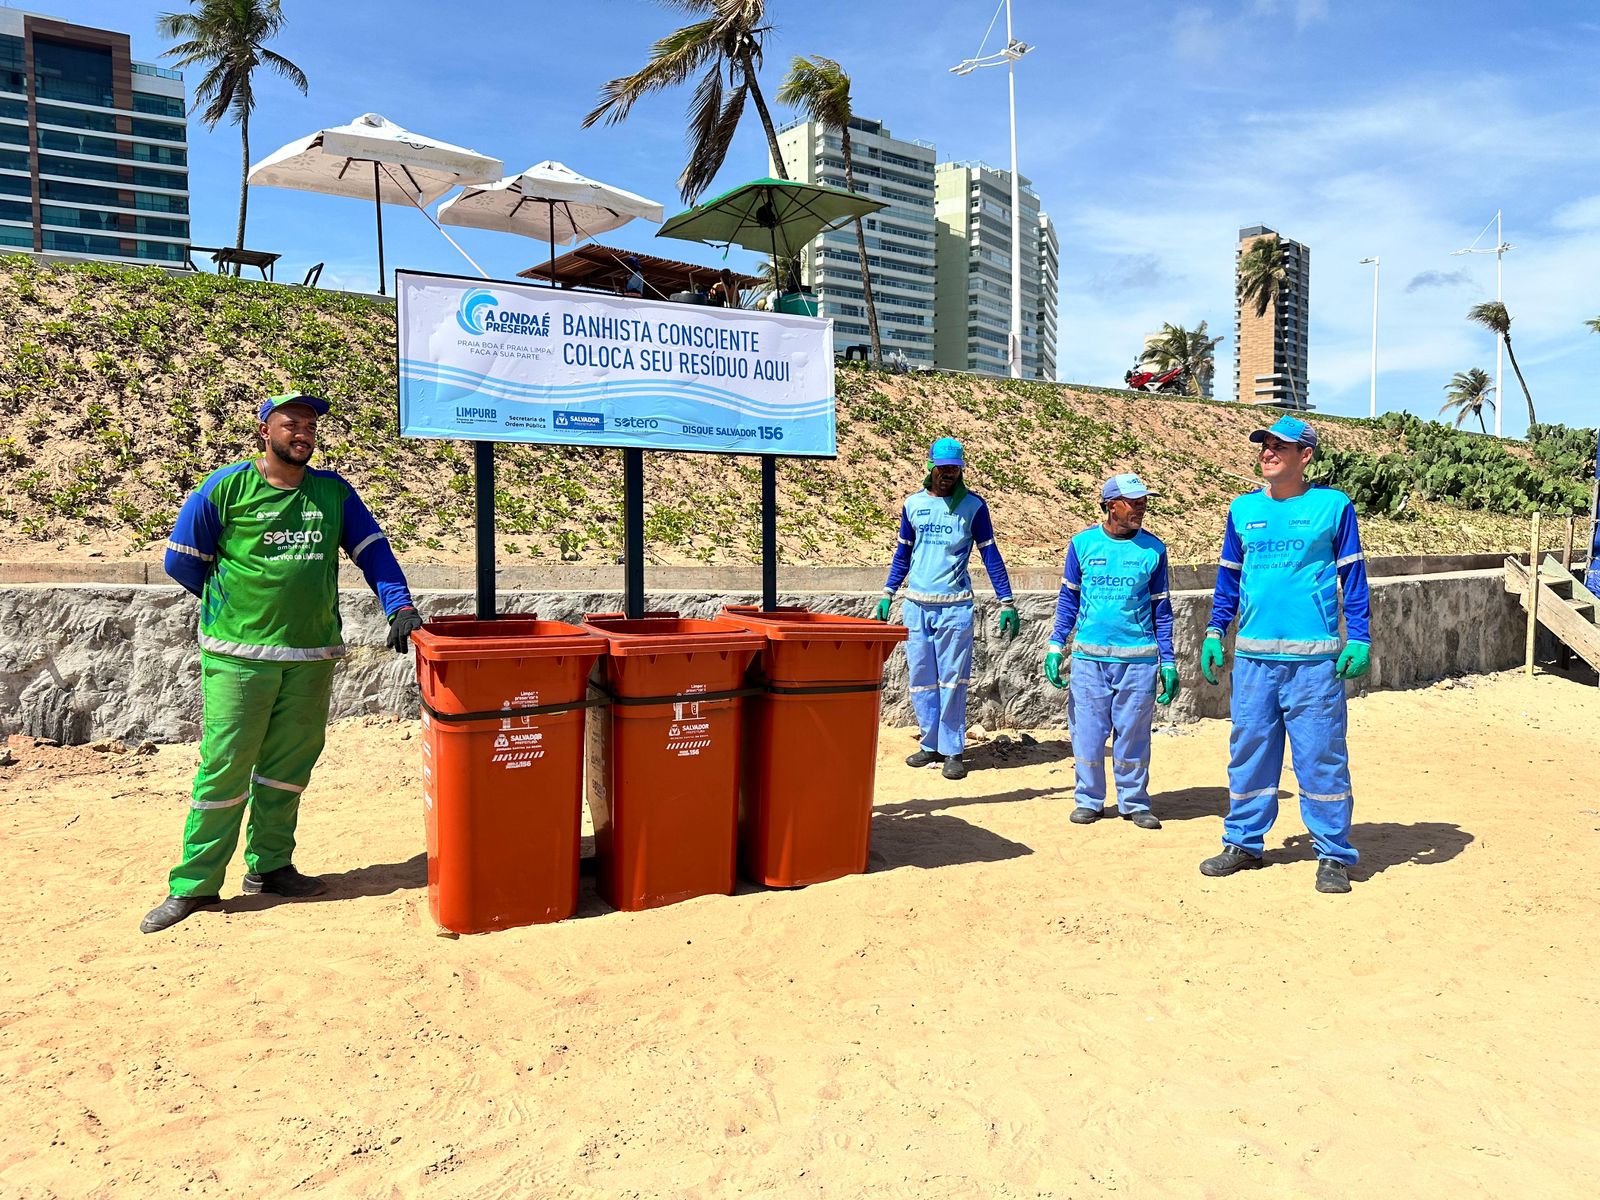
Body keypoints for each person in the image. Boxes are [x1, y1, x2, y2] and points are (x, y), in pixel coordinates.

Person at [140, 392, 423, 933]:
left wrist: (400, 606)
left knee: (287, 771)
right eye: (291, 423)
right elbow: (182, 562)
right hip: (239, 657)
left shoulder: (333, 493)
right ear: (265, 430)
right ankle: (194, 885)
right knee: (224, 768)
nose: (302, 433)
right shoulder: (224, 488)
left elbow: (373, 551)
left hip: (312, 655)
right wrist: (236, 606)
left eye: (309, 425)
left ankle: (270, 867)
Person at [1198, 415, 1371, 894]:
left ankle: (1333, 854)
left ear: (1305, 456)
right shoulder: (1242, 510)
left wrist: (1359, 637)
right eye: (1265, 444)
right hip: (1254, 659)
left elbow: (1353, 577)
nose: (1268, 452)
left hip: (1313, 663)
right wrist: (1214, 630)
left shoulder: (1332, 506)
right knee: (1248, 754)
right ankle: (1243, 843)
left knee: (1321, 757)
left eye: (1280, 446)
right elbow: (1229, 578)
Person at [873, 437, 1019, 780]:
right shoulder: (913, 505)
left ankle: (953, 750)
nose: (949, 473)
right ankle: (930, 745)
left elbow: (990, 554)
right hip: (916, 606)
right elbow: (903, 553)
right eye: (943, 467)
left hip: (954, 607)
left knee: (953, 681)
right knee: (921, 679)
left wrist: (1007, 601)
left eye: (955, 468)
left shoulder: (973, 507)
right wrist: (888, 592)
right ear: (931, 467)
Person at [1045, 473, 1179, 830]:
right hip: (1090, 659)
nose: (1141, 508)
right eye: (1133, 502)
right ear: (1110, 505)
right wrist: (1056, 645)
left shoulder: (1154, 550)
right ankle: (1089, 800)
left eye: (1143, 502)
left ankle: (1134, 802)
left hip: (1138, 659)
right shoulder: (1082, 545)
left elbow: (1161, 609)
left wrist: (1168, 661)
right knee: (1088, 734)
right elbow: (1069, 599)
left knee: (1133, 734)